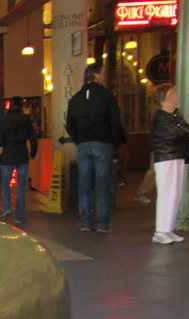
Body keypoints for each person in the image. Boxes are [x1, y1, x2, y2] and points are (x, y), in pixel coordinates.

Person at [65, 62, 126, 233]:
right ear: (97, 75)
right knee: (102, 185)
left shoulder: (75, 99)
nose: (105, 78)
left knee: (84, 185)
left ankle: (85, 222)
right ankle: (102, 224)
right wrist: (116, 142)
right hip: (103, 144)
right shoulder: (107, 97)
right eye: (103, 74)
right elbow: (115, 121)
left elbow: (70, 125)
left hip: (83, 144)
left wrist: (80, 140)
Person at [149, 84, 189, 244]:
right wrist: (184, 133)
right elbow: (177, 134)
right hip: (165, 158)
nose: (176, 97)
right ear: (163, 100)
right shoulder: (161, 117)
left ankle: (168, 228)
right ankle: (161, 230)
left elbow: (188, 131)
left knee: (175, 193)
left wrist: (184, 132)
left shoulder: (175, 115)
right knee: (166, 193)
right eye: (172, 95)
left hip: (177, 156)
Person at [0, 96, 37, 226]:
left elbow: (0, 140)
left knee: (5, 185)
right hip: (22, 155)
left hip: (8, 155)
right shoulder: (26, 120)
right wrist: (33, 152)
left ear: (10, 106)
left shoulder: (5, 120)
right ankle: (19, 217)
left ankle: (7, 207)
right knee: (21, 187)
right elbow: (33, 139)